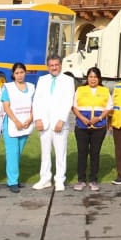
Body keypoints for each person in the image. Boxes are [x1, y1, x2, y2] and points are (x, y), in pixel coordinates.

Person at [34, 55, 74, 191]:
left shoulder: (68, 80)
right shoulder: (42, 80)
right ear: (48, 67)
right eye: (51, 65)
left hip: (60, 123)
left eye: (56, 65)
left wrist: (62, 120)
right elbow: (37, 100)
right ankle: (45, 179)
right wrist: (37, 118)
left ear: (60, 65)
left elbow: (69, 100)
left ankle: (59, 180)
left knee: (60, 153)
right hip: (44, 123)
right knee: (45, 153)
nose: (54, 67)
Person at [73, 67, 111, 191]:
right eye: (90, 77)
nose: (93, 79)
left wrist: (99, 118)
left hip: (99, 127)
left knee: (95, 153)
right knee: (82, 153)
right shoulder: (80, 90)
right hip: (82, 126)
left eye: (95, 77)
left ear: (99, 78)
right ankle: (81, 180)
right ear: (87, 78)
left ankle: (93, 179)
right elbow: (74, 107)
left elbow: (109, 107)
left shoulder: (105, 90)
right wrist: (83, 118)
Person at [1, 62, 36, 192]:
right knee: (12, 153)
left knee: (18, 153)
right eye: (17, 73)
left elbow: (34, 105)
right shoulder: (8, 88)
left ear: (25, 73)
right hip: (12, 123)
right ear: (13, 74)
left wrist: (31, 118)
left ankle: (14, 178)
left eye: (21, 72)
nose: (19, 75)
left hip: (26, 123)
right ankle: (12, 182)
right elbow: (6, 106)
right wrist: (15, 121)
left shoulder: (32, 87)